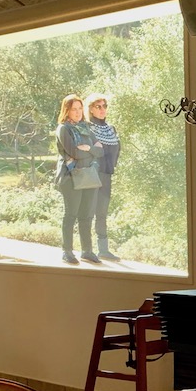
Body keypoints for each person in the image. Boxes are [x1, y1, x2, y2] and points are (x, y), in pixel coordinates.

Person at [53, 93, 104, 265]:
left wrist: (87, 147)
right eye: (74, 109)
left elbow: (100, 150)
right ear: (66, 111)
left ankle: (87, 251)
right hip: (70, 177)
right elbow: (73, 152)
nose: (78, 112)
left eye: (80, 108)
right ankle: (66, 251)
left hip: (88, 176)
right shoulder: (63, 129)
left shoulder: (86, 128)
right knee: (71, 215)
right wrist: (89, 151)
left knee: (86, 215)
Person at [85, 93, 121, 261]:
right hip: (92, 174)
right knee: (88, 212)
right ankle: (87, 250)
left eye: (104, 106)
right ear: (91, 109)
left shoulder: (111, 128)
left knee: (102, 212)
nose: (102, 109)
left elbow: (117, 150)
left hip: (106, 175)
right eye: (98, 106)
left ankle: (103, 250)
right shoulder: (87, 127)